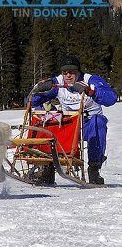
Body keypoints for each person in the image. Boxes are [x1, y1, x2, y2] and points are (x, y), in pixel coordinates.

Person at [33, 54, 117, 184]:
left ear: (78, 72)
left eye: (72, 72)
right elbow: (32, 101)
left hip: (88, 123)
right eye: (65, 72)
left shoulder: (90, 80)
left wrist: (91, 92)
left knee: (98, 121)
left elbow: (111, 99)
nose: (68, 75)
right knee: (46, 118)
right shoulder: (57, 82)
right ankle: (47, 167)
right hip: (68, 124)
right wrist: (39, 89)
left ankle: (94, 169)